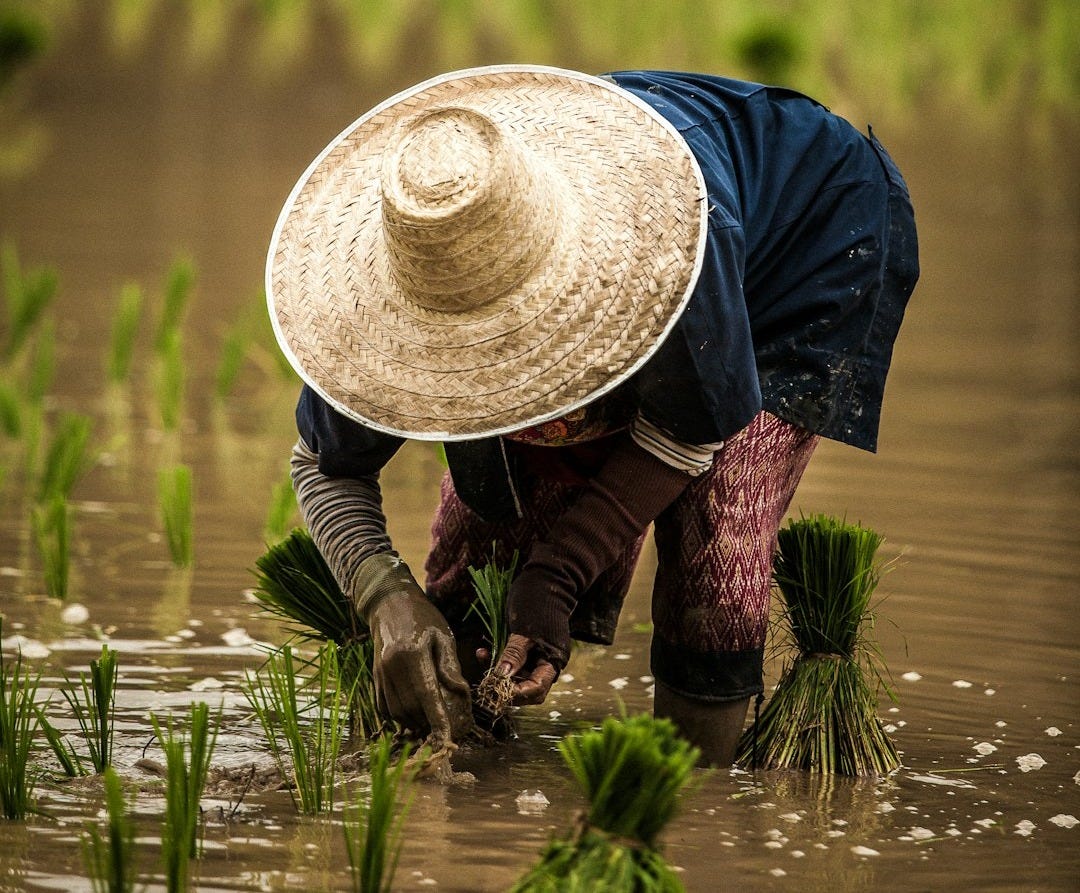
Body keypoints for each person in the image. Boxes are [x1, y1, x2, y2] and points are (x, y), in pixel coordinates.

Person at [265, 65, 919, 766]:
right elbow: (322, 465)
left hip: (805, 240)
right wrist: (384, 595)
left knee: (718, 537)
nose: (485, 366)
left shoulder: (668, 251)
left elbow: (692, 426)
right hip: (618, 232)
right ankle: (472, 750)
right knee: (490, 533)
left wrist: (561, 574)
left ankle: (690, 794)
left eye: (505, 342)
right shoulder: (387, 294)